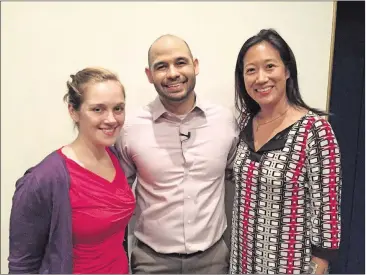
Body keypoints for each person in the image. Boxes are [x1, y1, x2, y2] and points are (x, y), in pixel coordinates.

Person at [116, 34, 239, 274]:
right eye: (161, 66)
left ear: (195, 65)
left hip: (213, 260)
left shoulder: (224, 121)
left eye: (180, 62)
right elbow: (118, 195)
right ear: (149, 75)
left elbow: (237, 178)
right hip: (151, 262)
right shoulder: (130, 128)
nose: (172, 73)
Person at [229, 28, 342, 274]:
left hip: (290, 267)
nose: (260, 78)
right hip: (242, 264)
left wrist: (316, 269)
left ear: (287, 70)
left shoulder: (315, 130)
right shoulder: (245, 124)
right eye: (251, 70)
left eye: (270, 66)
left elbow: (327, 218)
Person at [8, 67, 135, 274]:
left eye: (118, 108)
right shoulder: (43, 180)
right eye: (98, 109)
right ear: (73, 111)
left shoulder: (115, 157)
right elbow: (22, 265)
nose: (112, 119)